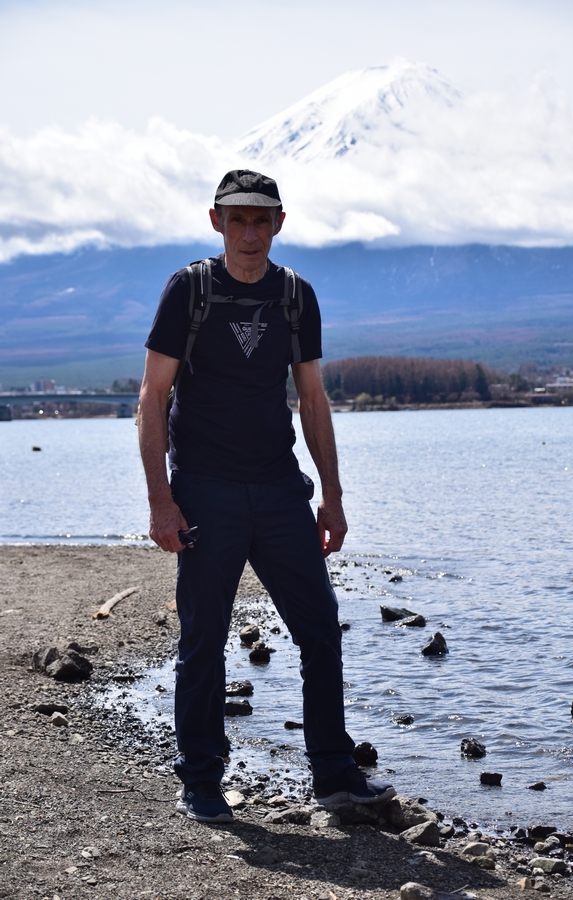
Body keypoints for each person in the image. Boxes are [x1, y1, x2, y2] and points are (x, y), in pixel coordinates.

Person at [137, 169, 396, 822]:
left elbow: (312, 397)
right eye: (237, 220)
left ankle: (335, 776)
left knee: (320, 632)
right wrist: (161, 501)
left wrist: (332, 497)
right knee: (204, 640)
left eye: (261, 220)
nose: (249, 233)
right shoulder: (189, 290)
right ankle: (201, 780)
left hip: (281, 492)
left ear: (279, 223)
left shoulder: (294, 296)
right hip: (205, 492)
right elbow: (152, 396)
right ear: (216, 222)